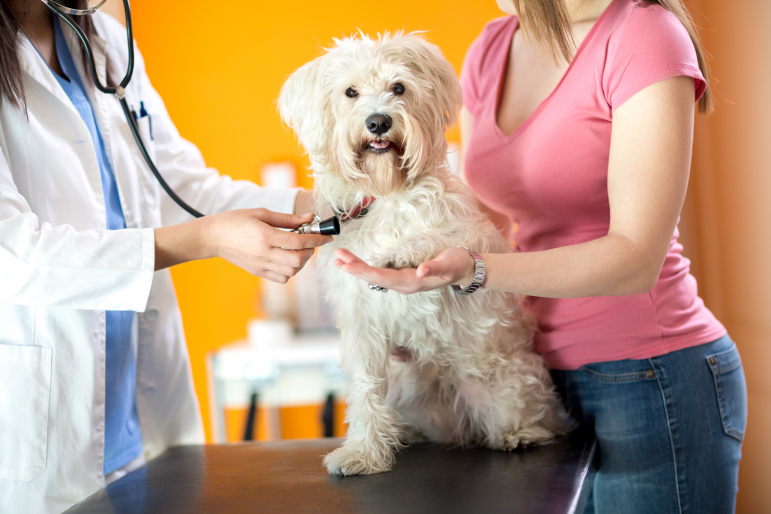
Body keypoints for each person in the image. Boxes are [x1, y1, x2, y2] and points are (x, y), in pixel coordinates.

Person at [333, 0, 747, 512]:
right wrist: (422, 316)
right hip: (525, 368)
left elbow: (636, 258)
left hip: (647, 377)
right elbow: (480, 221)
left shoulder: (644, 34)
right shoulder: (494, 46)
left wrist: (474, 270)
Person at [0, 1, 328, 512]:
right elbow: (13, 254)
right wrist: (206, 240)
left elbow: (182, 184)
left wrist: (321, 204)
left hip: (139, 418)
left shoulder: (106, 42)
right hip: (45, 429)